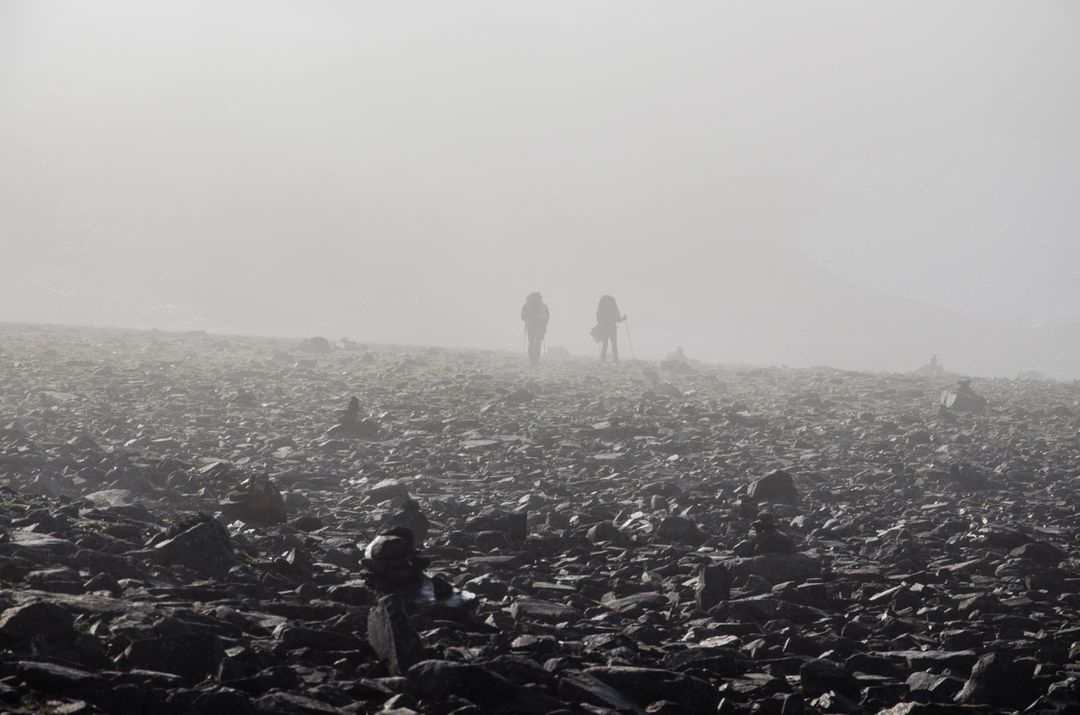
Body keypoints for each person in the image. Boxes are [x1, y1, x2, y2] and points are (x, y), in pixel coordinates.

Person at [520, 292, 550, 365]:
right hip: (540, 327)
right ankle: (536, 360)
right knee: (538, 343)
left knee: (531, 342)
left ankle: (531, 360)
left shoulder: (528, 305)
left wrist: (527, 319)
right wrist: (545, 326)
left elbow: (522, 317)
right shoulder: (543, 305)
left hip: (531, 326)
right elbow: (547, 317)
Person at [595, 294, 625, 363]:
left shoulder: (601, 308)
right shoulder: (614, 307)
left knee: (605, 344)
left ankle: (602, 359)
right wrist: (624, 318)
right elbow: (618, 320)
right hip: (612, 328)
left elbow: (598, 320)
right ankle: (616, 359)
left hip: (604, 329)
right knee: (614, 344)